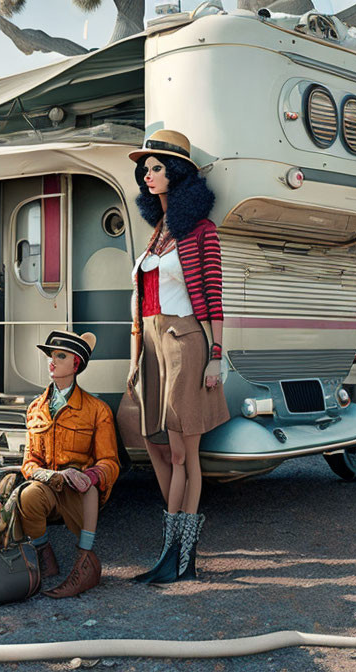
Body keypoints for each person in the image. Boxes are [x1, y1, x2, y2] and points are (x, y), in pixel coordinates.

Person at [127, 129, 230, 583]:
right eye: (145, 169)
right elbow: (141, 298)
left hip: (186, 341)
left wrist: (216, 355)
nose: (147, 176)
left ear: (179, 173)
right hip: (150, 346)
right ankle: (173, 550)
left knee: (185, 452)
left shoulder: (201, 232)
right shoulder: (157, 233)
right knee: (153, 442)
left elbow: (214, 295)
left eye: (156, 168)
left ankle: (179, 554)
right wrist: (134, 356)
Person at [16, 330, 120, 598]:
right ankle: (44, 557)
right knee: (28, 495)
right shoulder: (35, 408)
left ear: (75, 364)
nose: (51, 362)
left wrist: (91, 476)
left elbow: (110, 461)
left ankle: (86, 564)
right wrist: (49, 476)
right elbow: (29, 463)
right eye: (51, 356)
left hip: (79, 492)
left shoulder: (97, 410)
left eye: (60, 356)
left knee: (91, 489)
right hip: (50, 487)